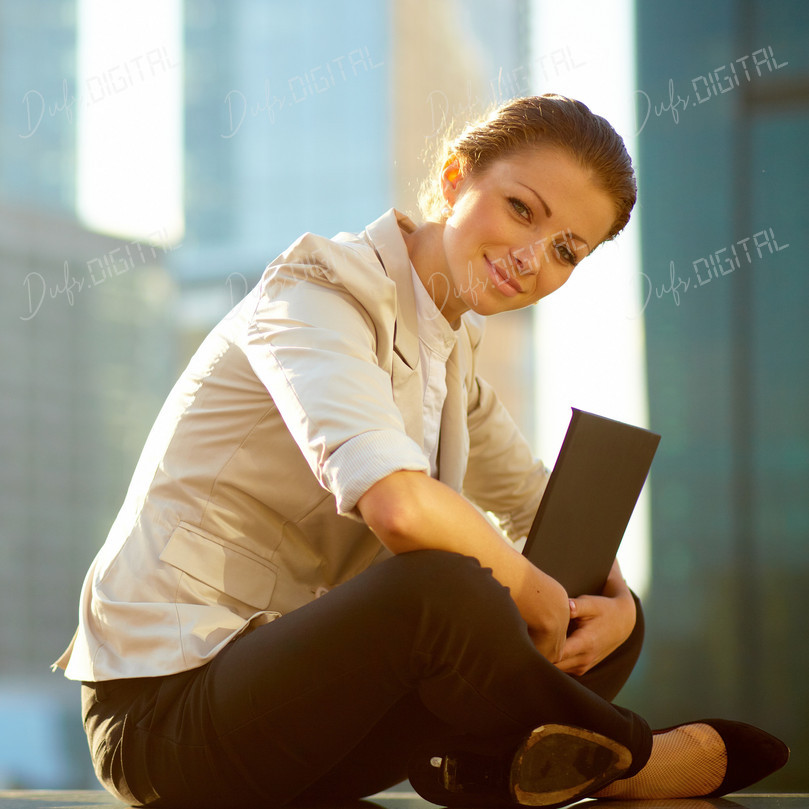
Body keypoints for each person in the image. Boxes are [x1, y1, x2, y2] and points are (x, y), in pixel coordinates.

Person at [54, 94, 788, 808]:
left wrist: (617, 604)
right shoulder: (318, 288)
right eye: (521, 209)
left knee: (589, 614)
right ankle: (626, 756)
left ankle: (482, 770)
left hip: (304, 739)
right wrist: (530, 590)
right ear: (451, 179)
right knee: (442, 588)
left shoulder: (450, 351)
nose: (532, 257)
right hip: (165, 720)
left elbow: (539, 500)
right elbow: (399, 505)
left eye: (566, 250)